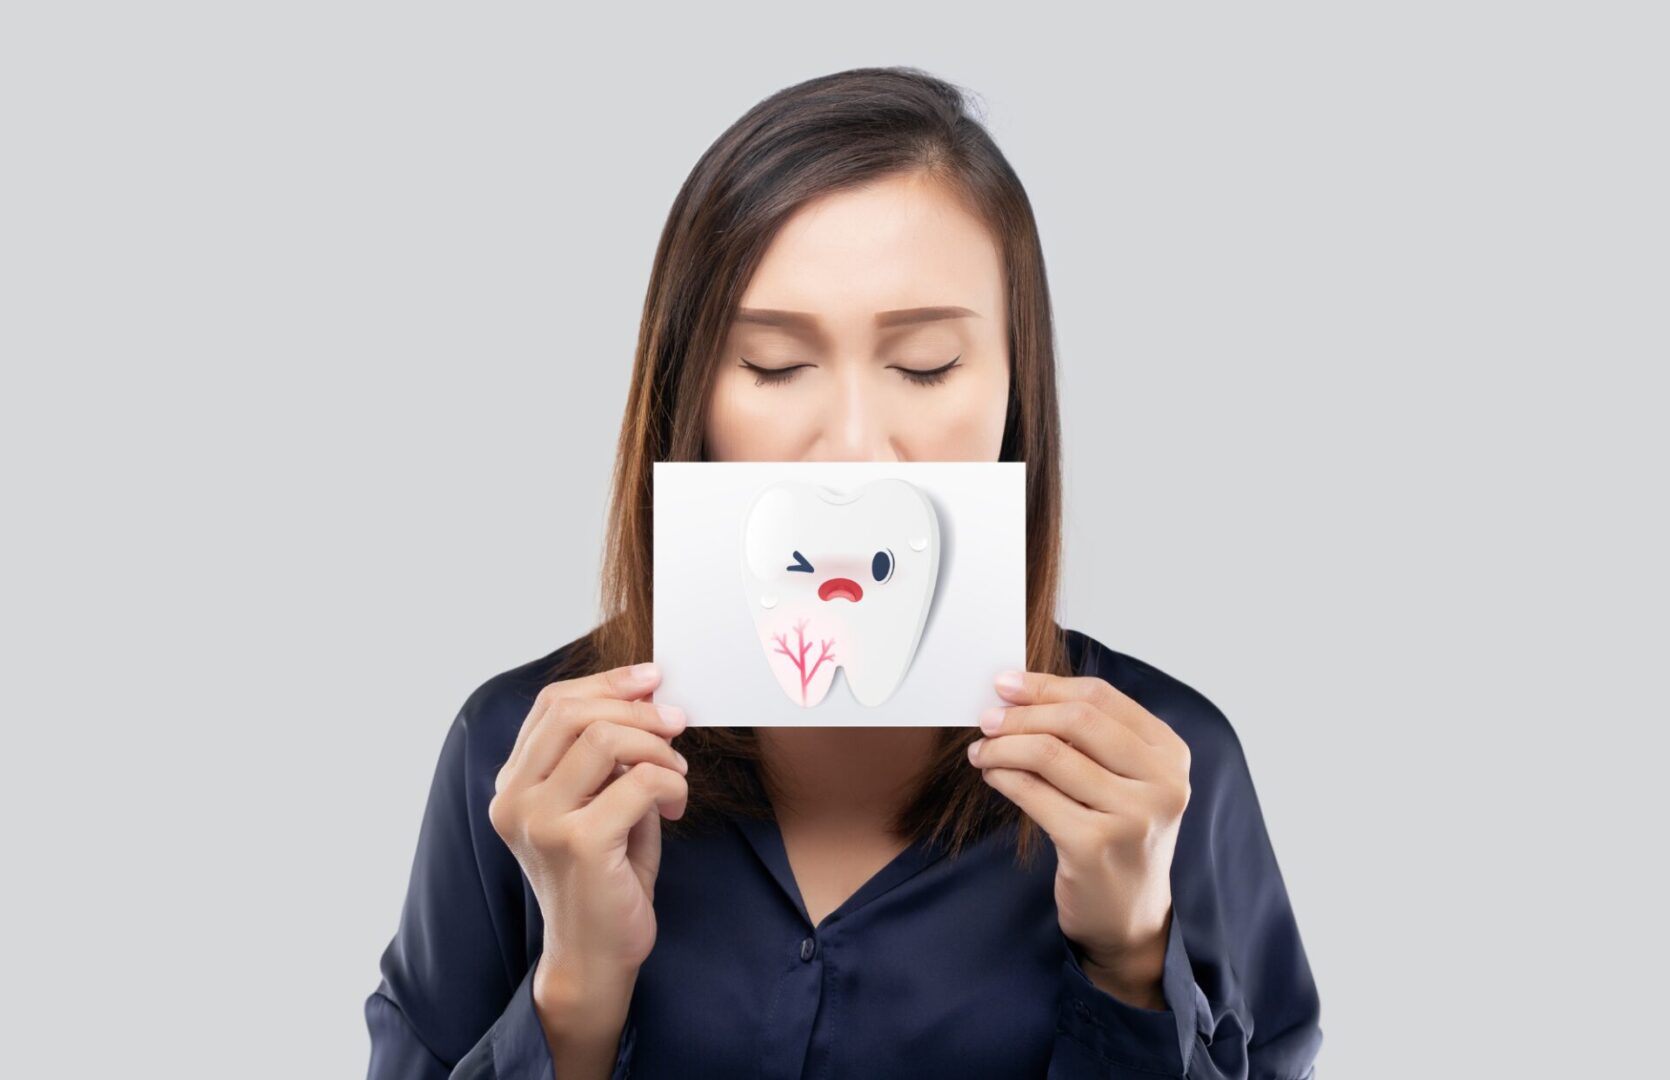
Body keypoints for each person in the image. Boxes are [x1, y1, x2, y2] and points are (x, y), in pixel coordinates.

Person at [364, 66, 1322, 1080]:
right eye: (773, 367)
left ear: (1013, 396)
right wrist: (576, 994)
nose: (854, 447)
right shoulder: (515, 761)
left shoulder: (1168, 772)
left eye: (923, 367)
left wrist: (1131, 959)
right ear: (689, 398)